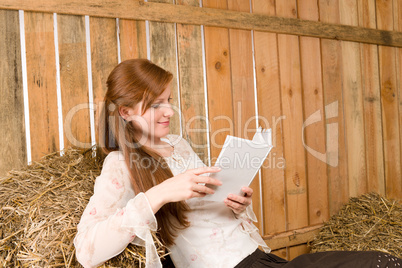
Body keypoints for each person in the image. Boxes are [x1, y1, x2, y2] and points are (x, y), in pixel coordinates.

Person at [74, 59, 401, 268]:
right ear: (126, 112)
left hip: (261, 258)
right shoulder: (119, 165)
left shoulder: (178, 145)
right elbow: (86, 252)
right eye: (155, 104)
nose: (169, 112)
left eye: (169, 101)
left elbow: (207, 215)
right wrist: (161, 193)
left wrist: (236, 203)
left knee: (382, 262)